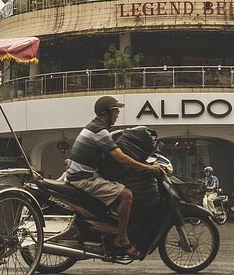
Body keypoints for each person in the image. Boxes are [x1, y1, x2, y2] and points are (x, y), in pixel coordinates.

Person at [65, 95, 165, 257]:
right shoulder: (99, 131)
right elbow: (121, 158)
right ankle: (122, 238)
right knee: (127, 195)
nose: (118, 114)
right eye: (115, 111)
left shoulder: (94, 127)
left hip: (79, 173)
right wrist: (149, 168)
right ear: (105, 113)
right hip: (84, 178)